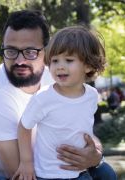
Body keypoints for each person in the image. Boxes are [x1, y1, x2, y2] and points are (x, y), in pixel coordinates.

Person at [0, 10, 116, 180]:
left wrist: (94, 155)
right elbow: (19, 174)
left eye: (30, 52)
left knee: (104, 172)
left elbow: (78, 127)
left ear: (46, 52)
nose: (20, 61)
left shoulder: (57, 77)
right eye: (11, 51)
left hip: (44, 166)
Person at [13, 26, 105, 180]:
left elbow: (81, 128)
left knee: (108, 173)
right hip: (49, 175)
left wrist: (94, 151)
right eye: (55, 61)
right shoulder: (43, 98)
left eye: (69, 60)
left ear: (88, 65)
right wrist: (26, 162)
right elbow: (24, 127)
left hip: (80, 172)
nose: (60, 66)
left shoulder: (91, 96)